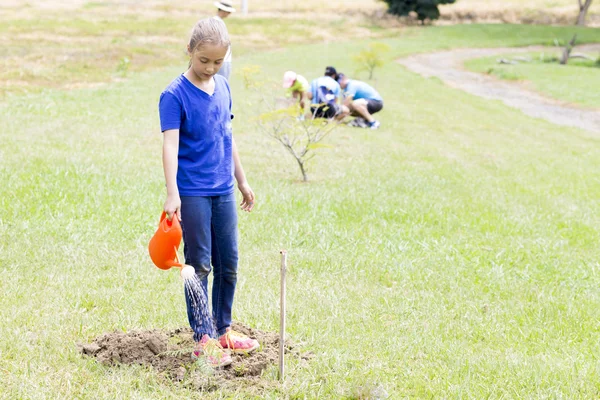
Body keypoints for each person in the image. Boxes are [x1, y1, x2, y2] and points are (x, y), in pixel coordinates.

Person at [158, 17, 259, 368]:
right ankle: (203, 337)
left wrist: (242, 181)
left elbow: (226, 138)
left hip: (223, 190)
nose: (210, 68)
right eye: (204, 61)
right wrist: (173, 193)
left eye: (218, 62)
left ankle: (223, 329)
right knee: (199, 264)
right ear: (189, 51)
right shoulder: (174, 95)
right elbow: (170, 146)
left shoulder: (224, 87)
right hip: (193, 193)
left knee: (228, 263)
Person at [213, 1, 235, 80]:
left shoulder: (219, 21)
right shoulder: (216, 22)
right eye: (228, 12)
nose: (229, 14)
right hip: (222, 58)